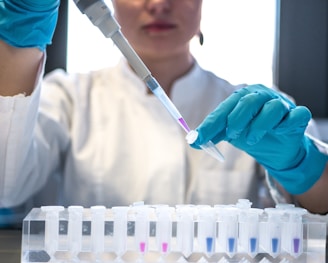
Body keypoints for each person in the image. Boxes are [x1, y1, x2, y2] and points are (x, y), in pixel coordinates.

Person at [0, 0, 327, 227]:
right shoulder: (67, 98)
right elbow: (6, 188)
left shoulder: (256, 111)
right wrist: (19, 42)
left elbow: (320, 212)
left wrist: (301, 164)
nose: (158, 4)